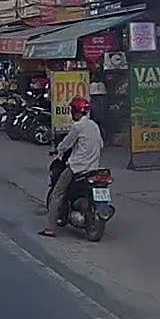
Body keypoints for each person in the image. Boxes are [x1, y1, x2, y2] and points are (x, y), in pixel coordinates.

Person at [40, 97, 104, 238]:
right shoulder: (94, 125)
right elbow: (101, 145)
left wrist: (58, 150)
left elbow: (66, 144)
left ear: (76, 111)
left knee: (57, 193)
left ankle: (50, 228)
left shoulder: (78, 127)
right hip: (93, 168)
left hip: (77, 167)